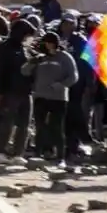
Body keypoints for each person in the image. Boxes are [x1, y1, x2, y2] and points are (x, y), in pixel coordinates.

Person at [22, 31, 78, 165]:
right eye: (45, 43)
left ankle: (60, 157)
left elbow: (73, 76)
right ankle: (38, 154)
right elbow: (24, 71)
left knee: (57, 127)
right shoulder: (40, 58)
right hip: (40, 96)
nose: (47, 46)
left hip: (58, 98)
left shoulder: (65, 57)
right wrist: (32, 62)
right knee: (40, 127)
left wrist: (61, 85)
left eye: (49, 43)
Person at [0, 19, 37, 163]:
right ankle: (0, 152)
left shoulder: (27, 49)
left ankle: (18, 154)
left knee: (24, 124)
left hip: (26, 91)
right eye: (27, 35)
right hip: (9, 91)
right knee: (7, 123)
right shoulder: (5, 48)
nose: (29, 38)